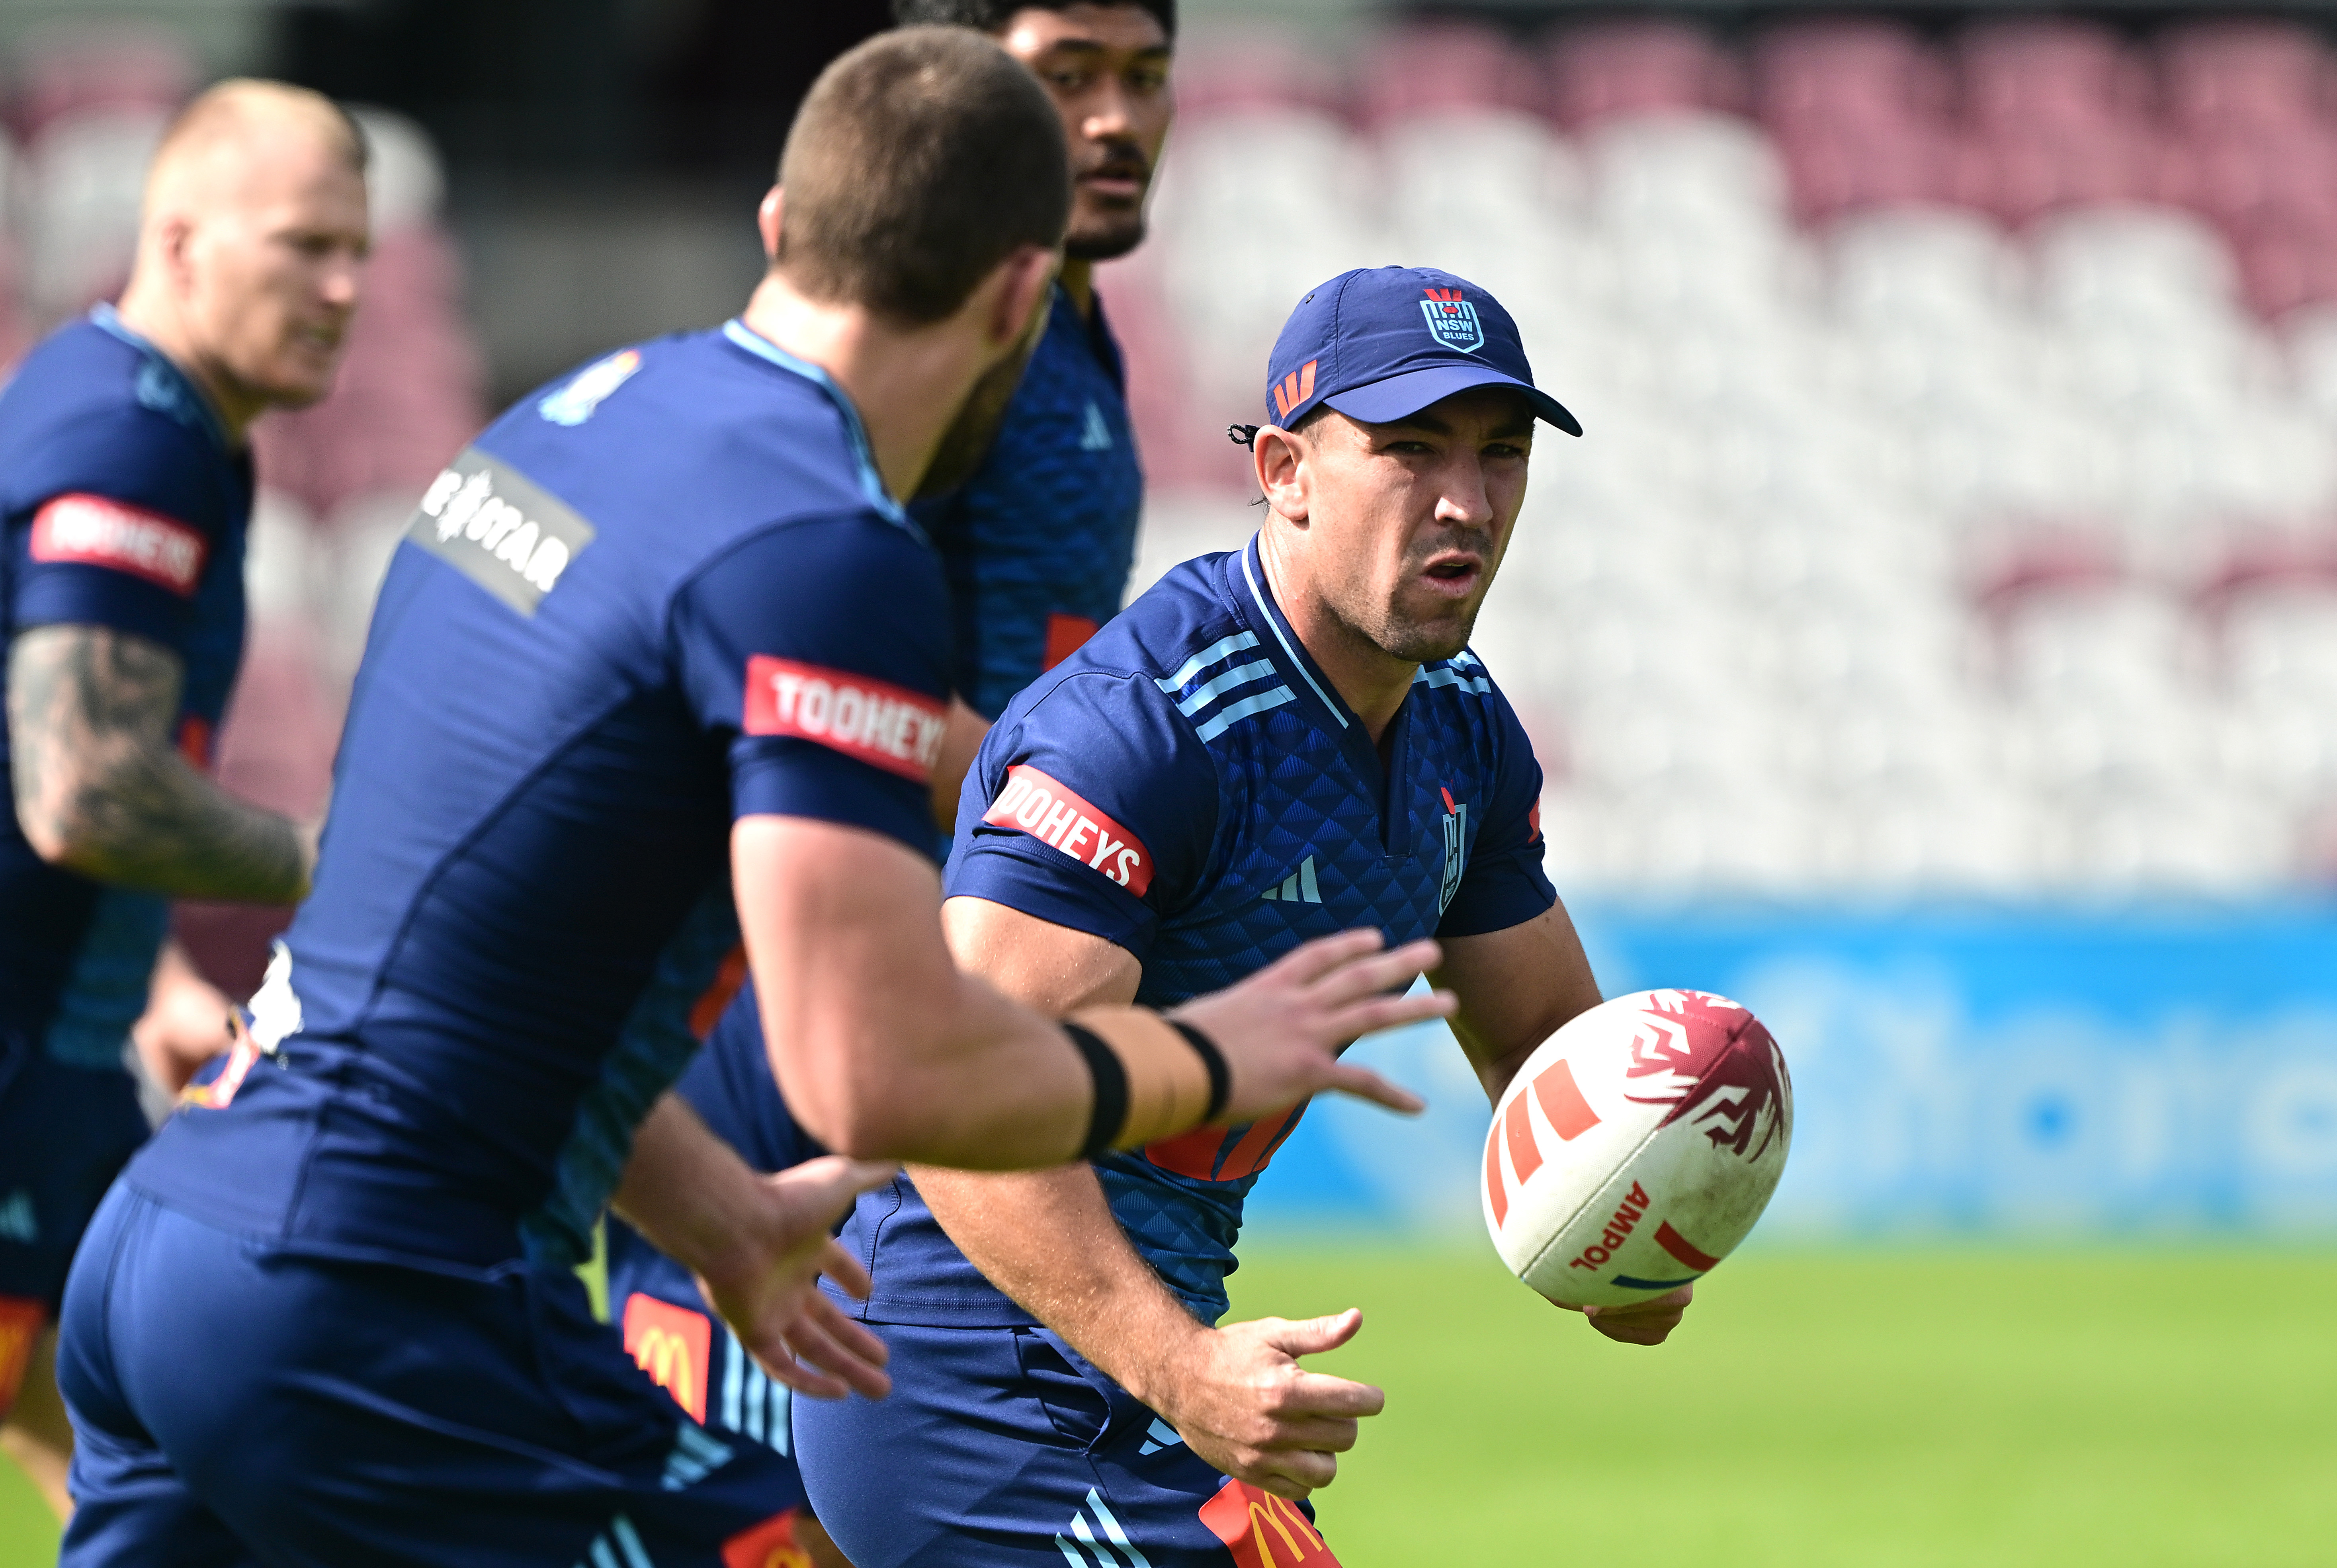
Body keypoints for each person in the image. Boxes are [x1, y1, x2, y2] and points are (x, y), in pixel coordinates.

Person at [53, 33, 1446, 1567]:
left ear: (783, 228)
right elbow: (865, 1068)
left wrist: (716, 1209)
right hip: (378, 1294)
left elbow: (452, 965)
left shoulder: (570, 415)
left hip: (165, 1241)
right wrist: (1195, 1055)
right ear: (1013, 299)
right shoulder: (827, 541)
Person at [794, 268, 1699, 1568]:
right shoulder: (1140, 728)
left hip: (1136, 1387)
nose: (1467, 500)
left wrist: (1642, 1217)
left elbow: (1554, 1048)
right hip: (970, 1385)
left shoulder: (1465, 730)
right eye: (1409, 450)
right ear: (1286, 469)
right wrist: (1183, 1372)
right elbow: (948, 1102)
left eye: (1502, 455)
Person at [599, 5, 1175, 1559]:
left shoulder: (1062, 327)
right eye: (1067, 78)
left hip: (926, 1007)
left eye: (1142, 77)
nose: (1112, 120)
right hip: (798, 1025)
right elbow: (782, 634)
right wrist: (1069, 815)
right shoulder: (953, 350)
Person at [0, 79, 365, 1521]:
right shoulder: (134, 433)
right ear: (180, 237)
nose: (343, 289)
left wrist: (145, 961)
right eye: (302, 247)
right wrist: (335, 868)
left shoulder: (150, 416)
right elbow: (80, 783)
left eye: (359, 253)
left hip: (66, 1066)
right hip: (18, 1069)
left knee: (186, 1486)